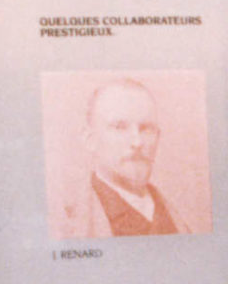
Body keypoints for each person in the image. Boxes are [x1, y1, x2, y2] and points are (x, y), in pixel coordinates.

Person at [54, 78, 187, 239]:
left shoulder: (179, 220)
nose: (137, 142)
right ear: (90, 139)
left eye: (146, 129)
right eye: (119, 127)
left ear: (158, 137)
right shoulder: (65, 225)